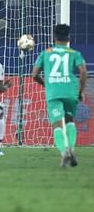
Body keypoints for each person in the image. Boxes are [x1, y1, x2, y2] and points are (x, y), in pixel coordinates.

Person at [31, 24, 87, 167]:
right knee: (69, 120)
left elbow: (34, 75)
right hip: (70, 91)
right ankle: (72, 149)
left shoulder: (46, 53)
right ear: (68, 37)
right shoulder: (74, 53)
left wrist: (46, 84)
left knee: (57, 124)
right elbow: (83, 71)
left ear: (54, 37)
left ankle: (64, 152)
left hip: (54, 92)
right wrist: (81, 90)